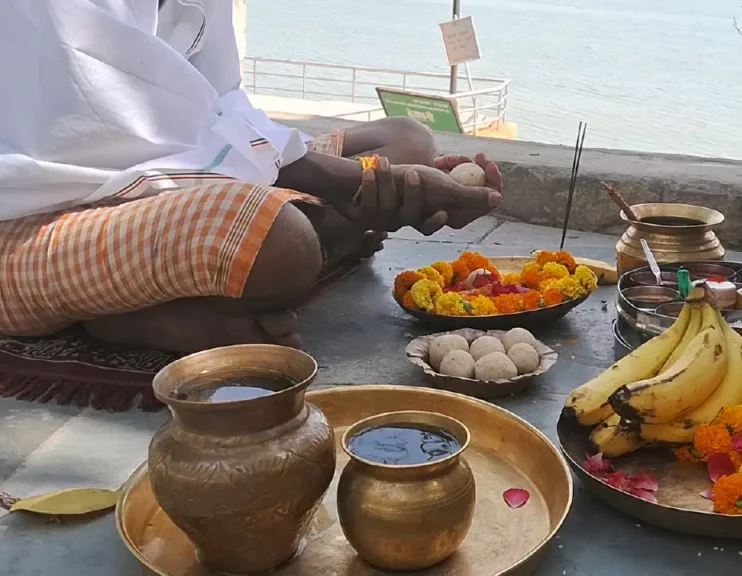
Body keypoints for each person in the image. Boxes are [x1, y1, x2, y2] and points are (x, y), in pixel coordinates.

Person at [0, 0, 503, 354]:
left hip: (165, 175)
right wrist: (353, 185)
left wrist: (374, 178)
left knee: (405, 140)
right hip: (36, 214)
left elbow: (220, 107)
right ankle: (119, 314)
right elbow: (120, 133)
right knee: (281, 240)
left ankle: (166, 291)